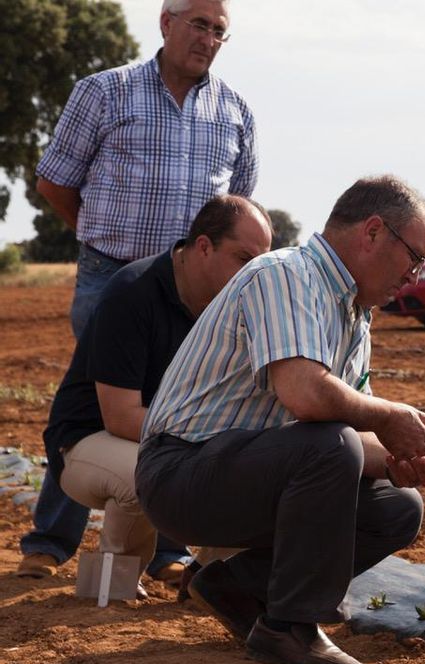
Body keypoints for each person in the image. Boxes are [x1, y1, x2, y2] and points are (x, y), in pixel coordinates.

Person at [136, 176, 425, 664]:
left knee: (397, 508)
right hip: (179, 473)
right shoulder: (286, 275)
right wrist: (390, 416)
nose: (414, 275)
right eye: (415, 257)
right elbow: (306, 394)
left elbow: (349, 432)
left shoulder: (355, 316)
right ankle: (290, 629)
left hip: (243, 471)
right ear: (373, 232)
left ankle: (239, 588)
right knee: (330, 445)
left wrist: (398, 459)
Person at [22, 0, 258, 581]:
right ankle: (51, 541)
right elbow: (55, 179)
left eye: (219, 32)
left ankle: (166, 553)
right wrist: (95, 236)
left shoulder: (235, 111)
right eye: (199, 24)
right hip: (113, 275)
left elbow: (238, 206)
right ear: (166, 22)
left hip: (192, 292)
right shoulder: (104, 92)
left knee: (178, 406)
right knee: (101, 401)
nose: (207, 38)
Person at [43, 196, 271, 596]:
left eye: (260, 260)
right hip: (84, 440)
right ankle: (107, 588)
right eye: (243, 257)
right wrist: (207, 446)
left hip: (168, 438)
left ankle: (207, 582)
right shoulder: (132, 292)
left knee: (257, 473)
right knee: (148, 474)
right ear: (203, 246)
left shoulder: (236, 305)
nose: (253, 271)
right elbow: (120, 417)